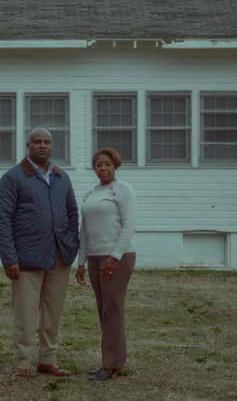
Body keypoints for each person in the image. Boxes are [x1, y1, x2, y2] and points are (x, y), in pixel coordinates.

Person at [0, 127, 80, 380]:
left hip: (59, 258)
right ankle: (22, 364)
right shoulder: (14, 178)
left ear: (52, 147)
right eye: (37, 141)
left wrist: (71, 246)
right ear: (28, 145)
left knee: (52, 314)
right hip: (26, 260)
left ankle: (47, 361)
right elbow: (1, 220)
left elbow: (72, 214)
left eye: (47, 142)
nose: (42, 145)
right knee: (25, 315)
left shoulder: (62, 177)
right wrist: (9, 258)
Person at [75, 147, 137, 381]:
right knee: (104, 309)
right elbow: (84, 231)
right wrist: (81, 262)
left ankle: (110, 365)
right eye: (99, 164)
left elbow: (129, 225)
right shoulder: (91, 193)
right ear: (94, 169)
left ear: (115, 166)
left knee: (112, 309)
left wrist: (115, 257)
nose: (103, 168)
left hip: (117, 257)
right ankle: (114, 361)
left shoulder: (123, 190)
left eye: (107, 164)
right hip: (94, 257)